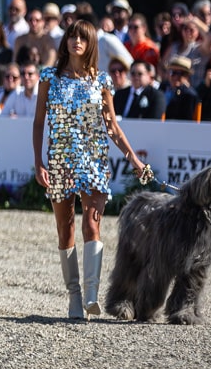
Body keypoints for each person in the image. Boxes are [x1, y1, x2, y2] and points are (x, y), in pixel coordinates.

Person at [33, 19, 146, 320]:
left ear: (91, 43)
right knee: (64, 228)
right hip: (59, 160)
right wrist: (38, 161)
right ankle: (74, 296)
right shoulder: (48, 77)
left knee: (91, 226)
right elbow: (38, 122)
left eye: (82, 38)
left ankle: (92, 294)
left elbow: (113, 127)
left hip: (94, 159)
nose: (76, 42)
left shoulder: (102, 82)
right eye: (72, 36)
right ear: (65, 42)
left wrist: (134, 160)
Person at [163, 56, 200, 121]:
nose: (176, 77)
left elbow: (187, 122)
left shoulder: (189, 95)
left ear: (187, 76)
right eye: (173, 73)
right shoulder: (163, 88)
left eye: (181, 74)